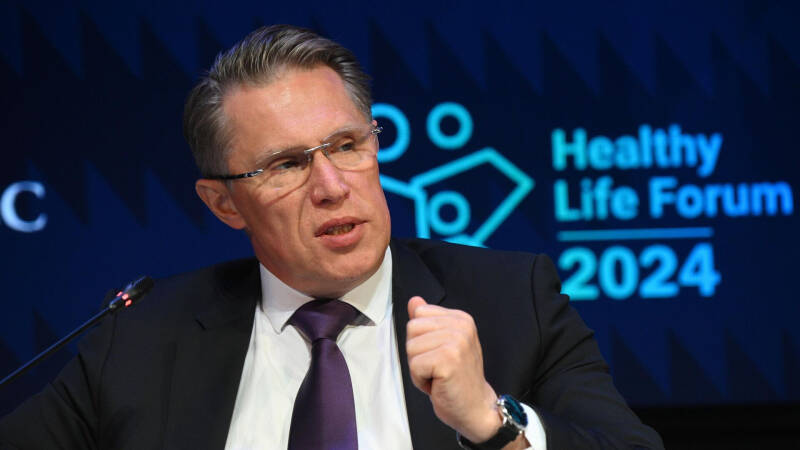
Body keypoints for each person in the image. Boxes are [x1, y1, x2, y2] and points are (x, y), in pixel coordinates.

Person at [0, 25, 663, 449]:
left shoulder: (512, 300)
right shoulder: (142, 336)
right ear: (224, 203)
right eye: (287, 164)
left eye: (347, 145)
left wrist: (494, 422)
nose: (332, 185)